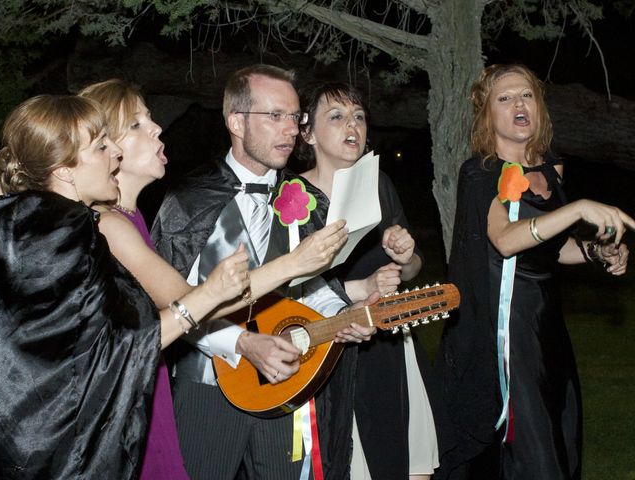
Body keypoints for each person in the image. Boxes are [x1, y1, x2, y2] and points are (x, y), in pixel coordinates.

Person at [0, 95, 250, 479]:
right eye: (100, 146)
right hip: (61, 453)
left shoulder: (26, 226)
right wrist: (209, 295)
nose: (114, 151)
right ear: (64, 169)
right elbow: (113, 352)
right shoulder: (64, 231)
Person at [152, 65, 376, 479]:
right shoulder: (189, 199)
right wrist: (241, 344)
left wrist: (345, 311)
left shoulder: (306, 199)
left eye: (295, 117)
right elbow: (170, 302)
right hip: (206, 390)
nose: (290, 130)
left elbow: (309, 289)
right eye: (275, 116)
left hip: (284, 388)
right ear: (236, 121)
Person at [434, 64, 635, 480]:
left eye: (525, 95)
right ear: (488, 116)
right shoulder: (480, 173)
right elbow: (506, 239)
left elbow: (554, 248)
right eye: (503, 99)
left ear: (539, 107)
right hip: (506, 340)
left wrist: (599, 253)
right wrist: (578, 209)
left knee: (559, 447)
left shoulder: (551, 169)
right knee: (532, 459)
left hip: (547, 334)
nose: (518, 104)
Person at [292, 82, 439, 480]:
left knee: (411, 468)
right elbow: (289, 290)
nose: (351, 126)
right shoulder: (292, 199)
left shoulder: (379, 185)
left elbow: (411, 270)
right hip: (334, 349)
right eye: (336, 117)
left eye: (358, 116)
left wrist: (405, 256)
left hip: (390, 344)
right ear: (306, 132)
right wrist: (361, 285)